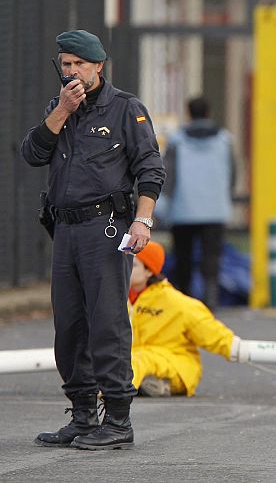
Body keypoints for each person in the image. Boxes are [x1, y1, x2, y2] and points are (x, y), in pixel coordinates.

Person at [21, 30, 165, 450]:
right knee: (69, 326)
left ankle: (118, 419)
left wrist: (143, 221)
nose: (71, 72)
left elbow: (150, 168)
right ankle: (83, 415)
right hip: (65, 230)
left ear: (98, 65)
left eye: (78, 64)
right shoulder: (60, 108)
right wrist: (62, 111)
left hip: (106, 230)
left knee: (107, 323)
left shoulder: (125, 109)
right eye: (65, 64)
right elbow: (32, 152)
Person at [128, 242, 242, 397]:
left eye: (132, 265)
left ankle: (112, 390)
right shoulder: (117, 298)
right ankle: (147, 383)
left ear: (149, 271)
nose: (124, 269)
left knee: (137, 360)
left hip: (176, 363)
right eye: (123, 263)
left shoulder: (175, 302)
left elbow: (213, 333)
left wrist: (241, 350)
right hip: (139, 359)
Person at [164, 96, 235, 310]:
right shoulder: (224, 139)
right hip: (215, 208)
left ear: (188, 113)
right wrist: (225, 195)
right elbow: (233, 173)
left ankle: (184, 301)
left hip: (182, 209)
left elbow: (169, 175)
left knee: (183, 258)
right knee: (211, 258)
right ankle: (210, 300)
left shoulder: (177, 140)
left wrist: (164, 202)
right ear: (209, 112)